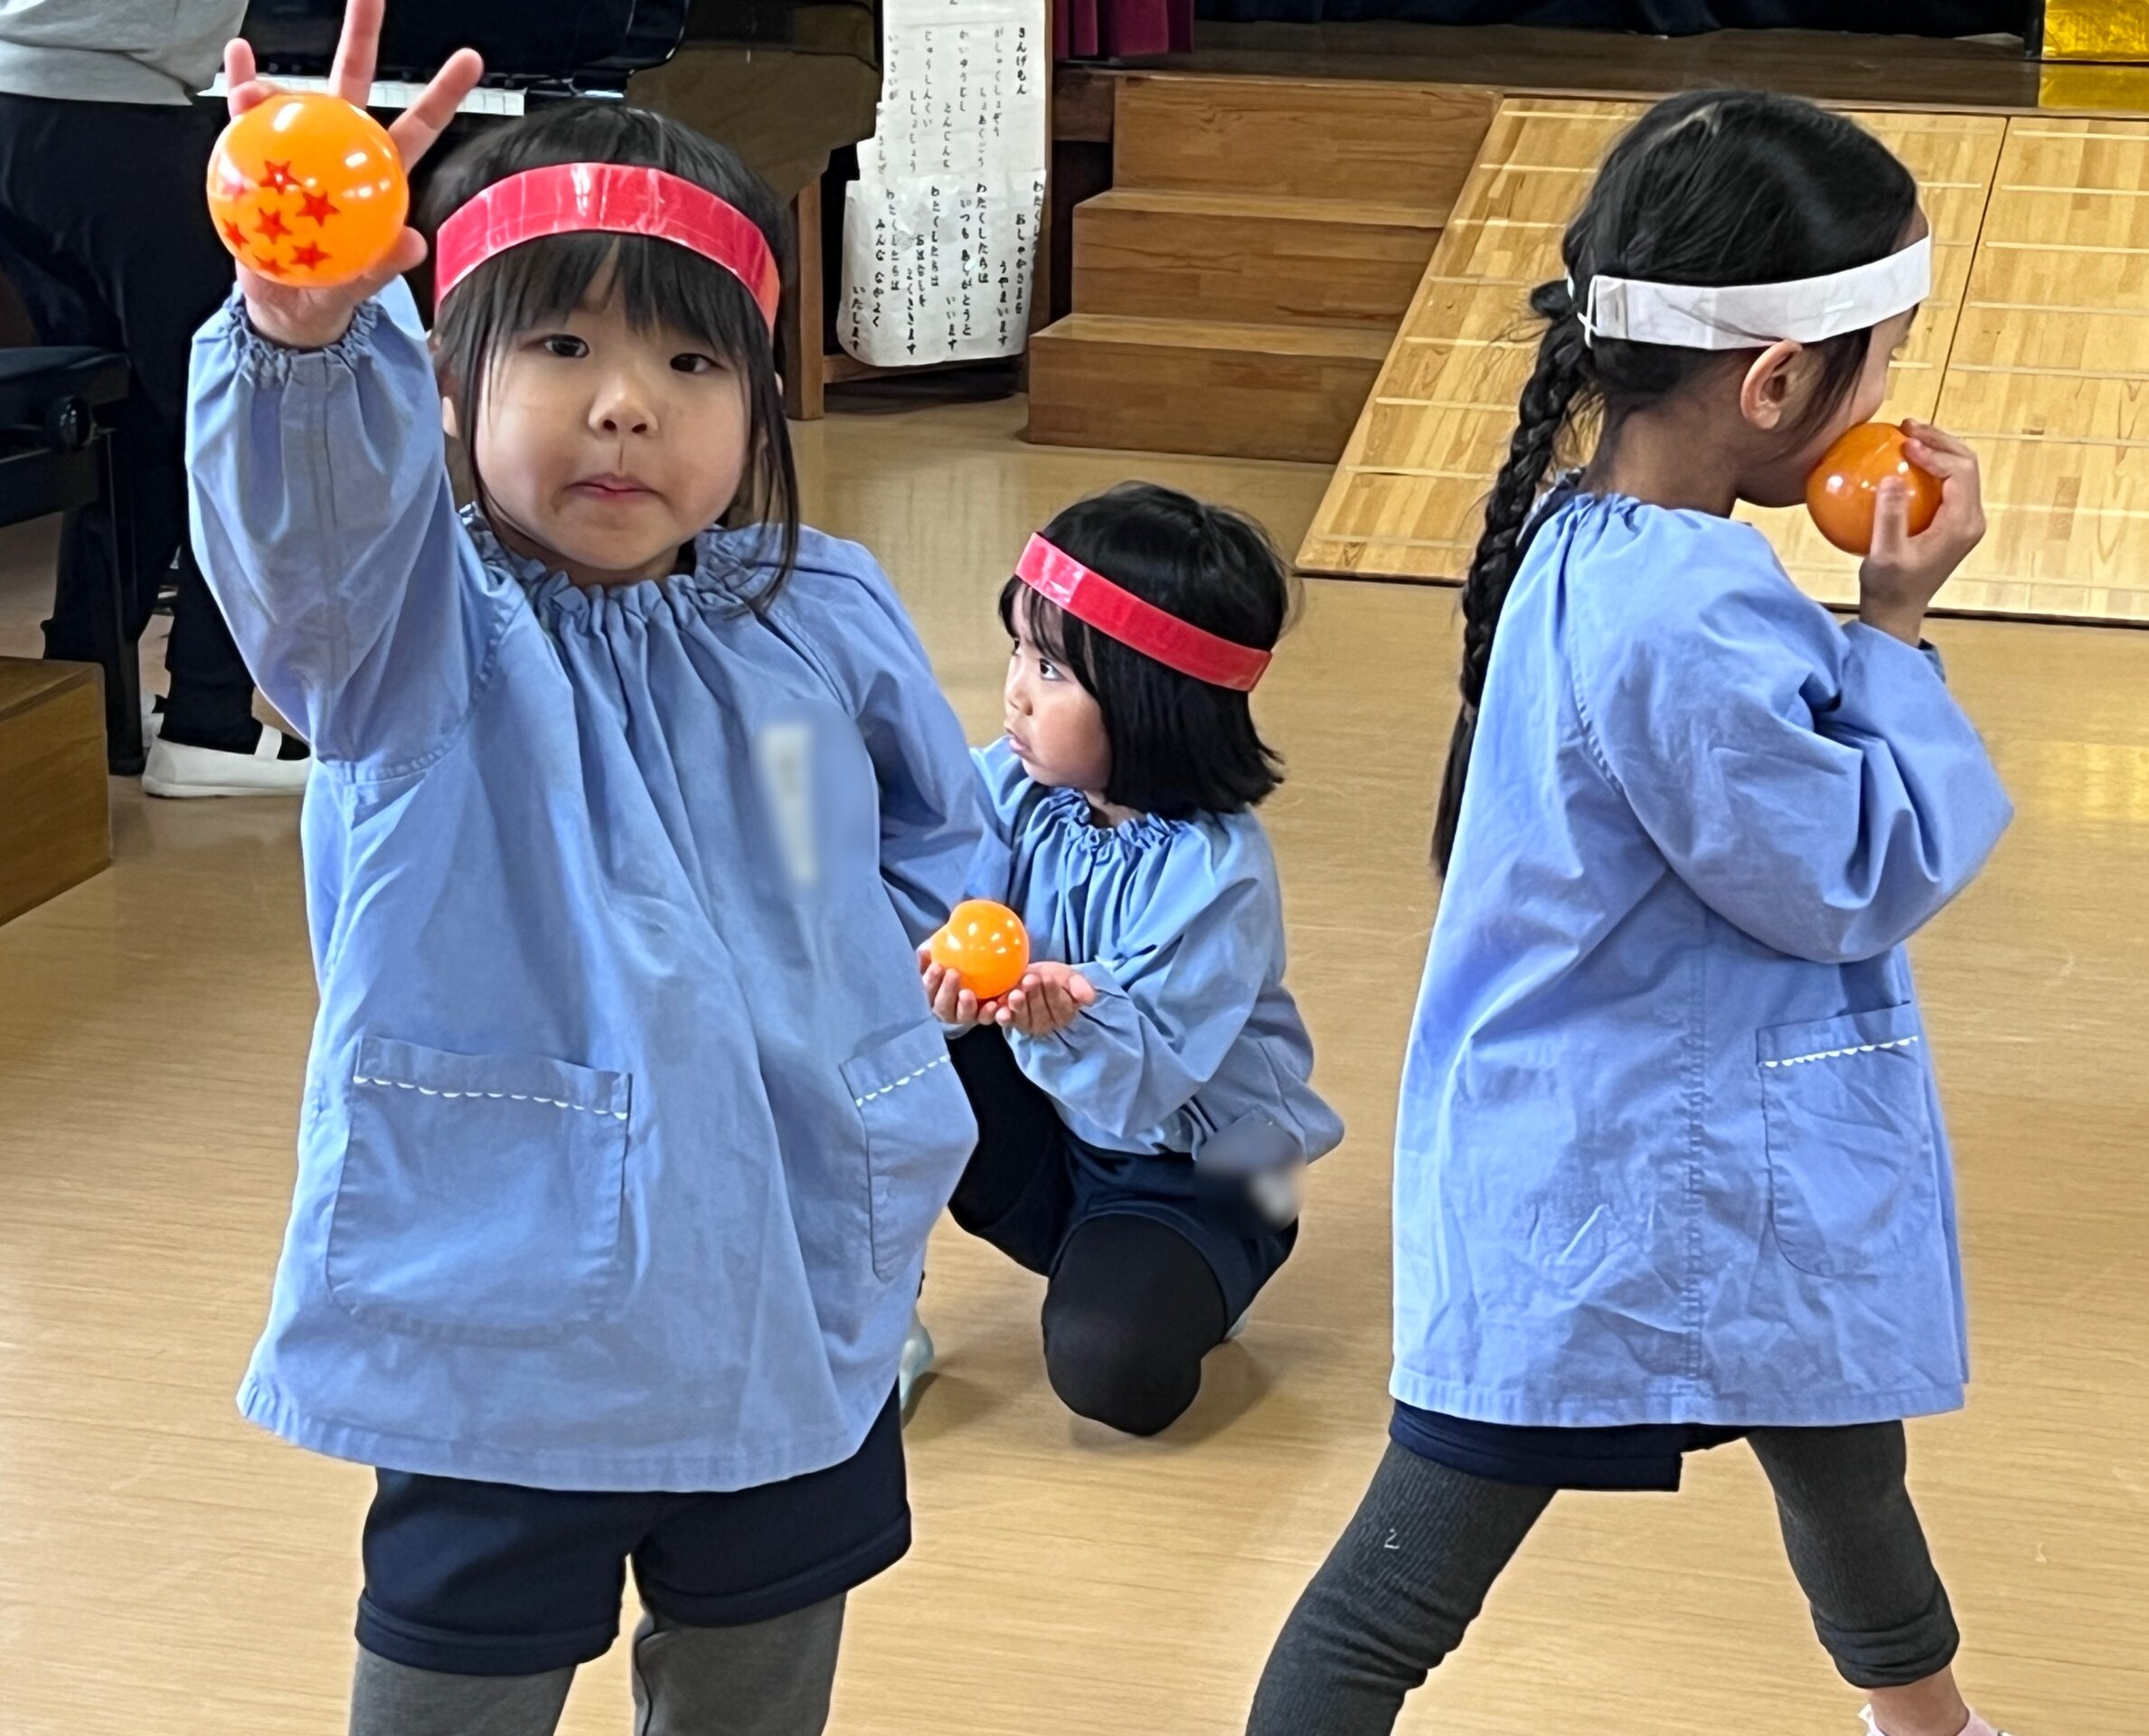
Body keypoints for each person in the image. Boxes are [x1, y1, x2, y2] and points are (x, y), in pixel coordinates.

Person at [188, 7, 988, 1730]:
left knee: (760, 1674)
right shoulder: (413, 632)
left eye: (694, 364)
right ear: (448, 377)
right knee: (458, 1688)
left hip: (791, 1282)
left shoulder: (808, 616)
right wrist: (305, 340)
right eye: (561, 344)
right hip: (509, 1296)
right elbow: (307, 554)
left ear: (759, 399)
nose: (628, 405)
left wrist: (896, 1003)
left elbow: (881, 844)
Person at [1244, 90, 2018, 1736]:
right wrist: (1894, 627)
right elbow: (1846, 872)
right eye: (1883, 357)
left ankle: (1932, 1726)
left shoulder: (1601, 538)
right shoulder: (1683, 609)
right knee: (1399, 1590)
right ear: (1778, 383)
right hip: (1624, 1178)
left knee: (1845, 1460)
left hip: (1687, 1150)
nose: (1894, 395)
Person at [915, 483, 1343, 1438]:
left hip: (1196, 1176)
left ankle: (1204, 1269)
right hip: (1054, 1139)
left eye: (1052, 671)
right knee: (882, 1064)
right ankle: (873, 1309)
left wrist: (1068, 1017)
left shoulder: (1216, 873)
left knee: (1112, 1372)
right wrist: (930, 981)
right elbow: (934, 881)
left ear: (1153, 702)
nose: (1015, 691)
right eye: (1018, 653)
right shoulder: (1015, 789)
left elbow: (1144, 1081)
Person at [0, 0, 312, 796]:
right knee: (242, 409)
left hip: (22, 97)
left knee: (130, 412)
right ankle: (210, 721)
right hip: (109, 110)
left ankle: (88, 693)